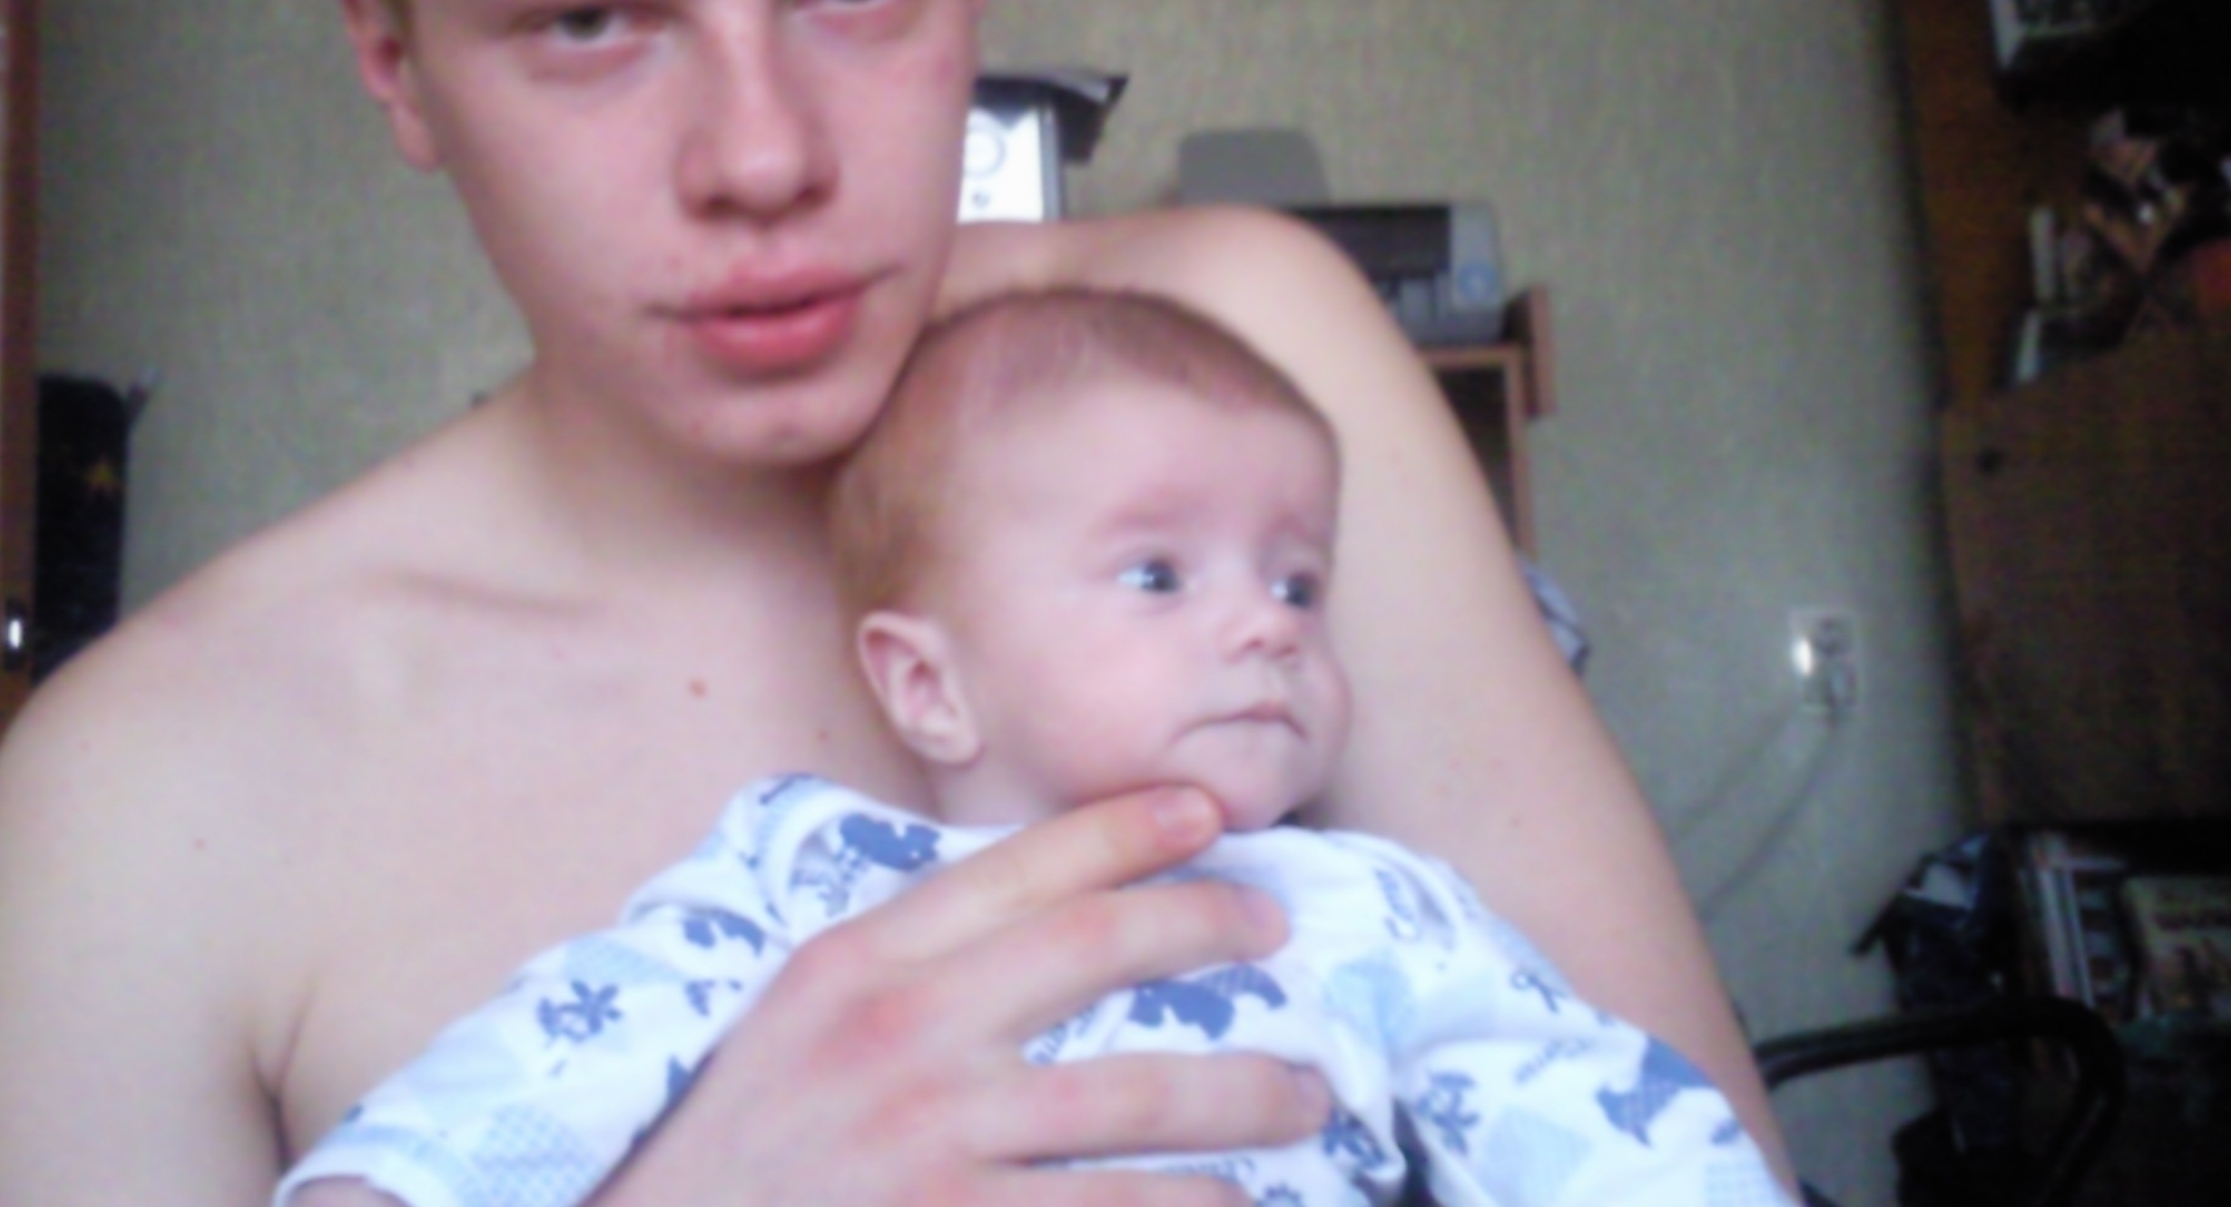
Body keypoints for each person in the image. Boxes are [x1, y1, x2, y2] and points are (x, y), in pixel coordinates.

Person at [0, 0, 1792, 1207]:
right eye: (586, 18)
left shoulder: (1245, 379)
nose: (760, 155)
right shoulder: (142, 807)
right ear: (394, 57)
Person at [277, 289, 1786, 1207]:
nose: (1266, 628)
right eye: (1158, 574)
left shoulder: (1375, 907)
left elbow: (1595, 1110)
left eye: (1298, 582)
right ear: (929, 687)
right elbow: (574, 1040)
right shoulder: (812, 875)